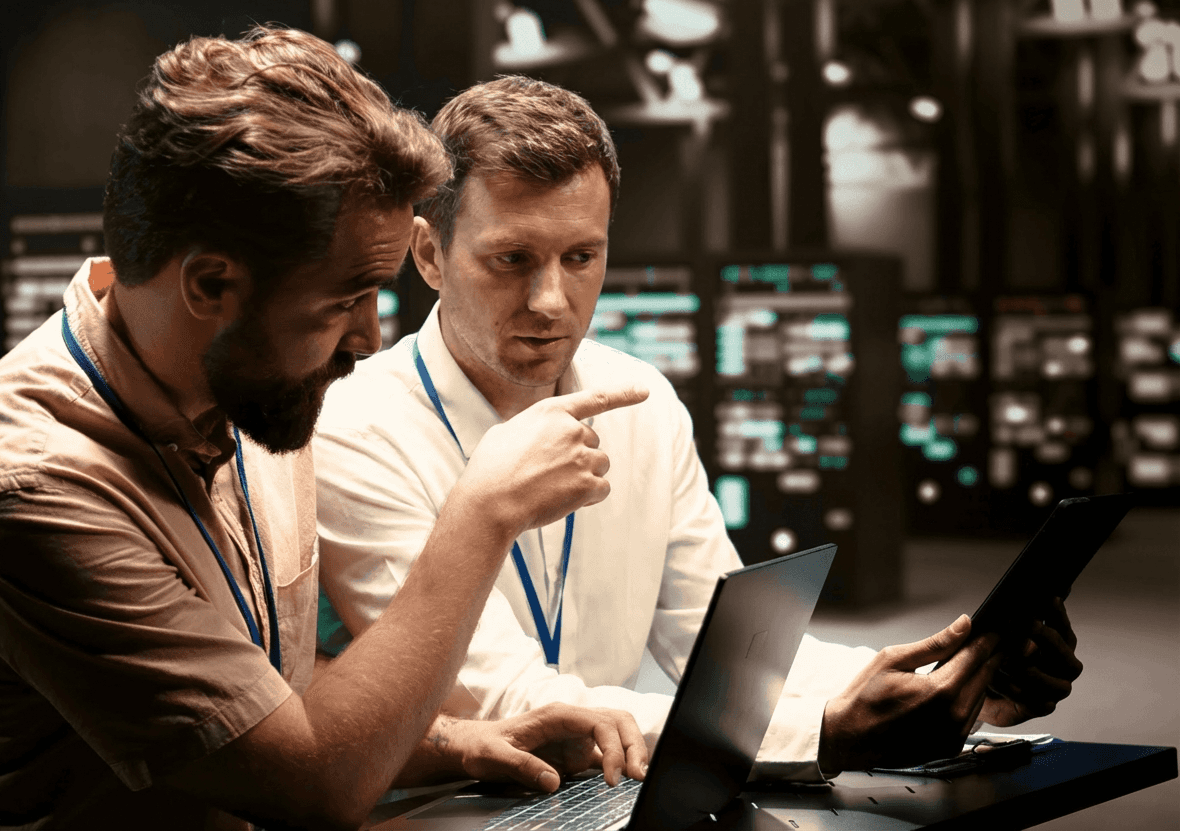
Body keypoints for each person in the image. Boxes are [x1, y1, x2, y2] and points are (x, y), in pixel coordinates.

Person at [313, 75, 1084, 781]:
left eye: (582, 256)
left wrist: (949, 688)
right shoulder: (356, 429)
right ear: (429, 256)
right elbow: (507, 704)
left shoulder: (639, 399)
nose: (551, 299)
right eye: (512, 258)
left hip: (604, 796)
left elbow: (733, 655)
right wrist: (821, 732)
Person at [0, 30, 652, 831]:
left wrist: (463, 741)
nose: (370, 339)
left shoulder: (255, 387)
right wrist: (480, 517)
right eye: (344, 300)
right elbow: (306, 785)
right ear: (211, 283)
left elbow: (265, 699)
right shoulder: (30, 484)